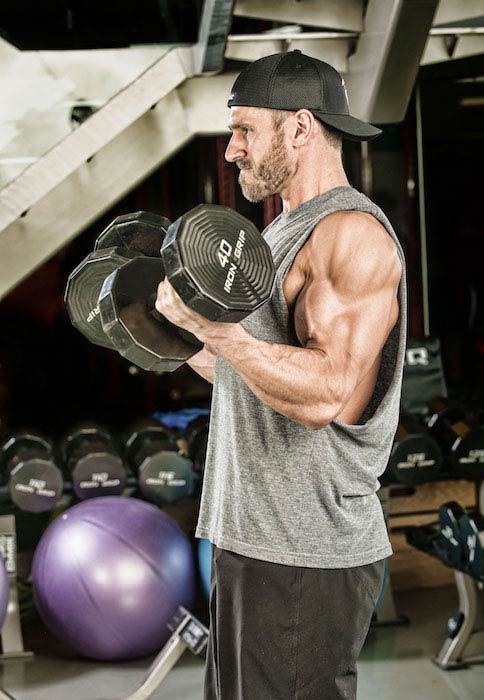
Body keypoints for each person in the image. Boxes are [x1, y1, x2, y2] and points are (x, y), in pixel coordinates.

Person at [155, 50, 406, 700]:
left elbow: (324, 391)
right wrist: (162, 333)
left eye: (244, 130)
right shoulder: (277, 236)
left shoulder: (349, 234)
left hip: (306, 548)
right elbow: (251, 378)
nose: (232, 149)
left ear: (299, 128)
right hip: (252, 540)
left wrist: (217, 331)